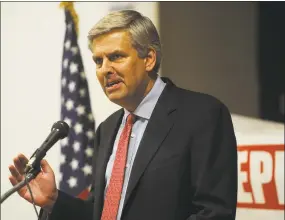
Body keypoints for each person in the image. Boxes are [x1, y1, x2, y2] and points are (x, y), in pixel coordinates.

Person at [8, 10, 237, 220]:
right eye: (99, 61)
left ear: (149, 59)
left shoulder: (202, 115)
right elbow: (102, 212)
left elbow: (214, 214)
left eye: (116, 57)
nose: (105, 69)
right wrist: (53, 200)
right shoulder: (107, 130)